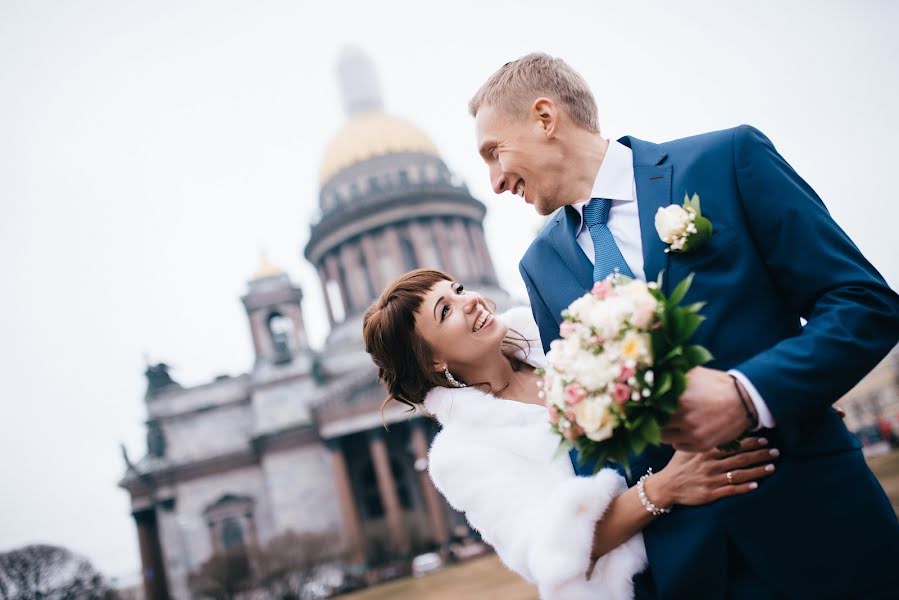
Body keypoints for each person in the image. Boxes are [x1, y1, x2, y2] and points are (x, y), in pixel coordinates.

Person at [469, 52, 899, 598]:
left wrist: (755, 393)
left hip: (818, 526)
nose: (495, 180)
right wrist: (655, 493)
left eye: (493, 152)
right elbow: (585, 427)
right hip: (689, 569)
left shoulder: (727, 160)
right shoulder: (540, 266)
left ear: (545, 118)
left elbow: (864, 302)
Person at [363, 269, 778, 599]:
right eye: (445, 311)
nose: (469, 300)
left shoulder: (559, 337)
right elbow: (549, 551)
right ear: (433, 359)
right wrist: (665, 488)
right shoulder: (461, 454)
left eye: (457, 289)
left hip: (727, 535)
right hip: (648, 586)